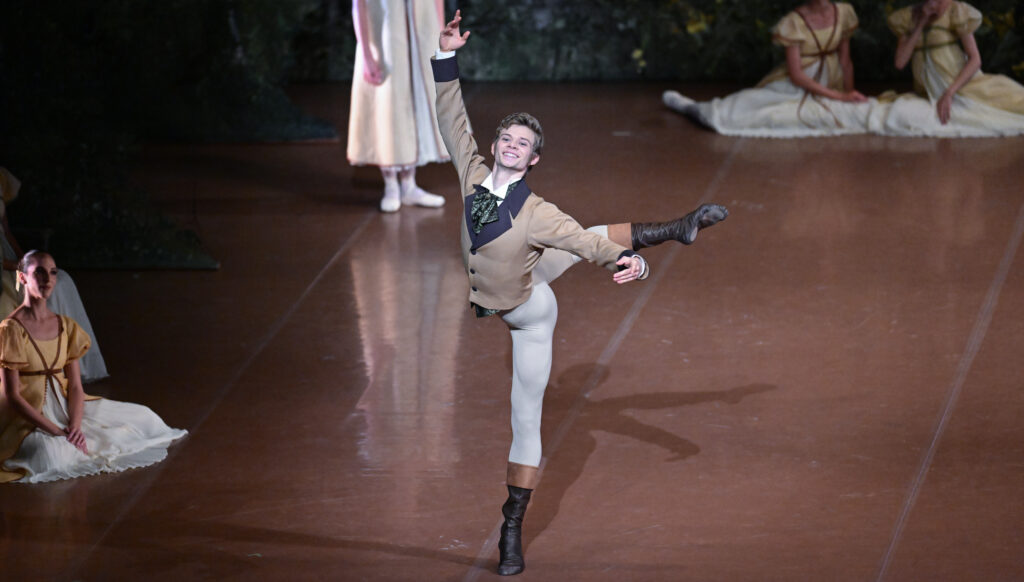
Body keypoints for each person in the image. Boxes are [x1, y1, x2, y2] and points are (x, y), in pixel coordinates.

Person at [434, 11, 727, 576]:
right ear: (496, 145)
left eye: (525, 144)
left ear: (534, 159)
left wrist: (628, 264)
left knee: (526, 415)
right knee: (584, 240)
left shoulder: (537, 211)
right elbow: (451, 114)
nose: (513, 146)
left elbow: (577, 240)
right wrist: (446, 55)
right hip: (526, 272)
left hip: (528, 309)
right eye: (508, 138)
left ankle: (512, 525)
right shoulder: (471, 173)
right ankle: (676, 228)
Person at [0, 251, 186, 483]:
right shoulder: (11, 329)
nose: (47, 279)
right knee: (48, 454)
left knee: (143, 418)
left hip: (65, 405)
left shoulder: (65, 325)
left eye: (52, 272)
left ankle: (75, 434)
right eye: (38, 272)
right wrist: (56, 431)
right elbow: (12, 396)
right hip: (28, 415)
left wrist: (75, 427)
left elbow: (76, 386)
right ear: (22, 278)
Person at [663, 1, 873, 137]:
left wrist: (848, 94)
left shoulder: (844, 12)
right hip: (799, 85)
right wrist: (837, 96)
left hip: (831, 79)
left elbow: (845, 60)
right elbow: (797, 75)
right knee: (751, 110)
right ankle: (694, 108)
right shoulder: (794, 22)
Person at [0, 167, 108, 382]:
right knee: (30, 287)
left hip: (9, 257)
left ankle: (69, 361)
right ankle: (39, 363)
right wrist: (16, 266)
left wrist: (27, 260)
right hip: (3, 266)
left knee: (62, 281)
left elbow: (6, 231)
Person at [348, 0, 450, 212]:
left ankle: (409, 184)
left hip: (419, 39)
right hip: (386, 44)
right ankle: (391, 185)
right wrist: (367, 54)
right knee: (389, 109)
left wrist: (442, 37)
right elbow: (360, 6)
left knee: (414, 104)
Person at [869, 0, 1024, 136]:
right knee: (895, 115)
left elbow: (975, 59)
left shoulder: (956, 11)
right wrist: (922, 21)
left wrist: (949, 92)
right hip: (927, 92)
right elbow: (900, 63)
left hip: (961, 85)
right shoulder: (908, 16)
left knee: (1011, 103)